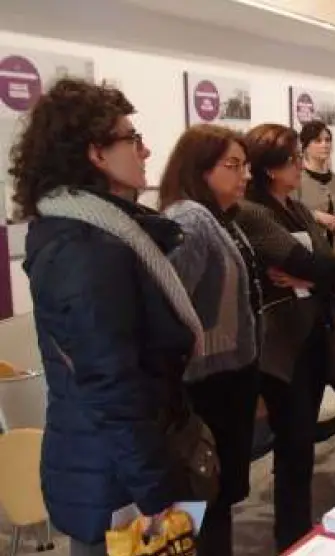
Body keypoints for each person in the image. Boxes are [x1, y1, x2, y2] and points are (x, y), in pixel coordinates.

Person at [11, 79, 202, 555]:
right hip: (116, 482)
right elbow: (110, 386)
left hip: (120, 466)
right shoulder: (84, 247)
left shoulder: (104, 233)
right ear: (97, 154)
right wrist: (158, 494)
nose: (146, 150)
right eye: (133, 139)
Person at [234, 123, 335, 551]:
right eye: (293, 159)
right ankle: (291, 534)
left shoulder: (297, 209)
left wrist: (311, 277)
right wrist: (316, 272)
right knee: (293, 445)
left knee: (302, 445)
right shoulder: (253, 212)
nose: (301, 165)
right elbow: (311, 262)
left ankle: (299, 529)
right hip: (282, 346)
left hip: (314, 334)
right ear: (270, 168)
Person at [158, 124, 261, 556]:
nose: (244, 175)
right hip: (203, 385)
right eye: (232, 165)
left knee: (217, 499)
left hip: (225, 379)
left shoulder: (218, 218)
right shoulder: (190, 220)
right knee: (204, 498)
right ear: (200, 169)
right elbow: (168, 307)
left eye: (245, 165)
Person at [295, 121, 335, 253]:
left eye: (328, 140)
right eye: (318, 141)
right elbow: (289, 211)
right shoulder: (297, 179)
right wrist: (315, 215)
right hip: (310, 251)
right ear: (305, 146)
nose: (325, 145)